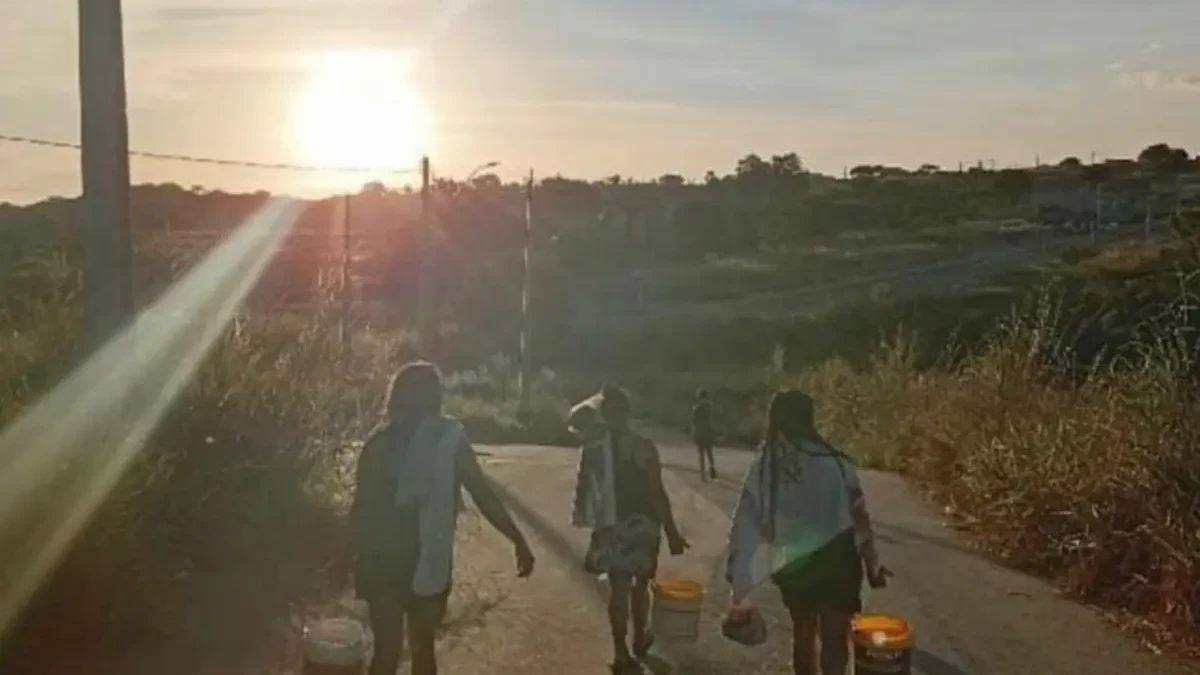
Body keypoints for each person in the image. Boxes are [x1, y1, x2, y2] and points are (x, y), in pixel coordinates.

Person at [350, 361, 535, 675]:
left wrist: (351, 553)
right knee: (421, 650)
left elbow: (360, 509)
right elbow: (482, 493)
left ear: (395, 397)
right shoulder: (448, 442)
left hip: (383, 559)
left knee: (387, 653)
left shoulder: (379, 443)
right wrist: (517, 538)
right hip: (425, 558)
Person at [725, 390, 891, 675]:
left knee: (803, 636)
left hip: (794, 563)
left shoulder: (765, 468)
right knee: (835, 641)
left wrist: (737, 572)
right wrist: (872, 564)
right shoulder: (837, 463)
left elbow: (745, 522)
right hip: (838, 559)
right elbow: (860, 518)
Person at [568, 385, 690, 672]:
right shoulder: (643, 447)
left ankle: (620, 651)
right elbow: (656, 493)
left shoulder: (594, 449)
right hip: (642, 526)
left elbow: (587, 488)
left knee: (618, 589)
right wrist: (672, 532)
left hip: (609, 523)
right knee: (641, 584)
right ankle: (640, 637)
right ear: (628, 412)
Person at [690, 388, 718, 480]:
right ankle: (712, 467)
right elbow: (711, 420)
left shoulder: (696, 408)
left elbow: (694, 421)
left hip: (700, 432)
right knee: (710, 452)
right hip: (708, 431)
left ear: (698, 396)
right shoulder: (710, 407)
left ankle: (702, 474)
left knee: (701, 454)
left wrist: (693, 434)